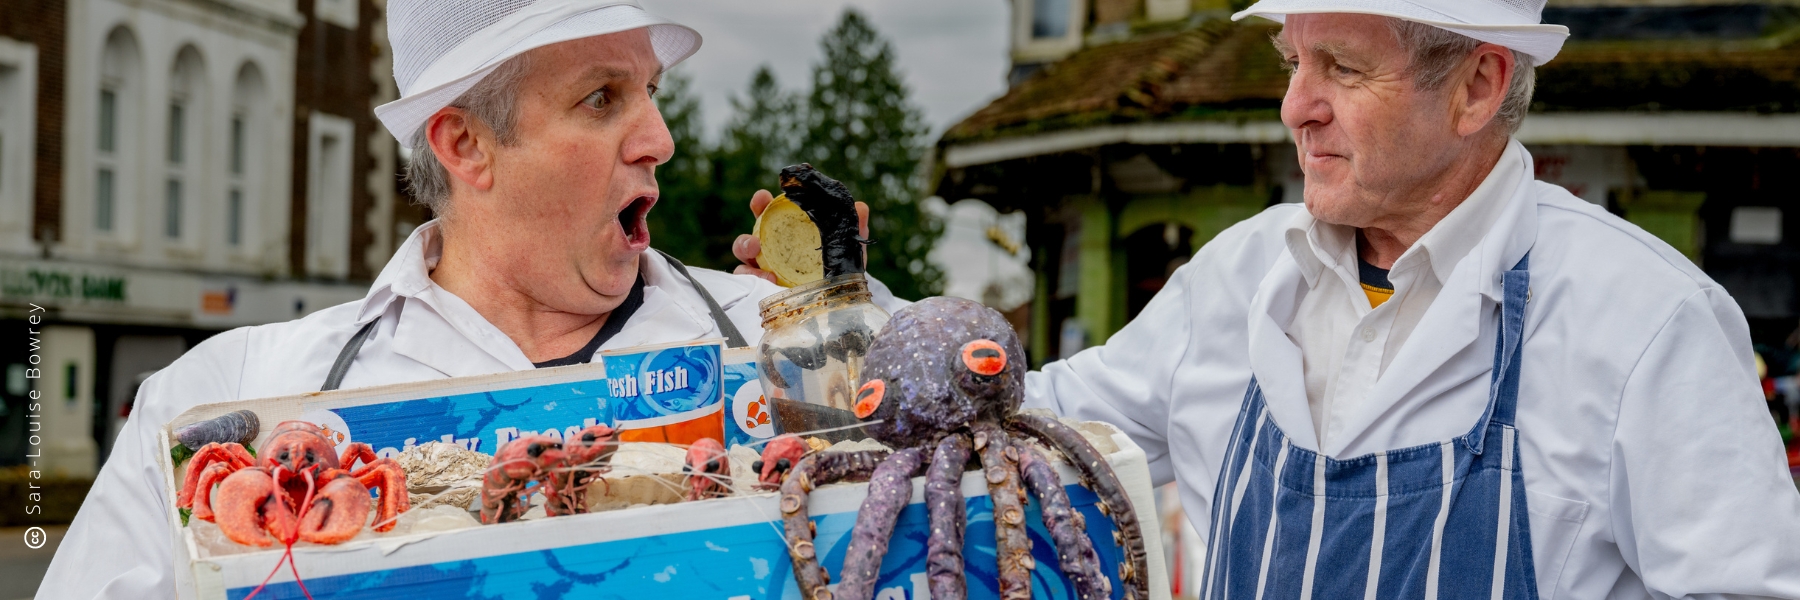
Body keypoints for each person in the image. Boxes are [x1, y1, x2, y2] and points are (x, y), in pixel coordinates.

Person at [776, 0, 1800, 597]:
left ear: (1479, 86)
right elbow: (1001, 410)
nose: (1295, 106)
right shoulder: (1242, 275)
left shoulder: (1645, 320)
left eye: (1341, 67)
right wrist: (829, 313)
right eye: (1292, 62)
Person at [41, 1, 899, 597]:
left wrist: (844, 331)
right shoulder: (224, 396)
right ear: (466, 144)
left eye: (651, 92)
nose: (660, 140)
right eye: (602, 98)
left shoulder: (798, 339)